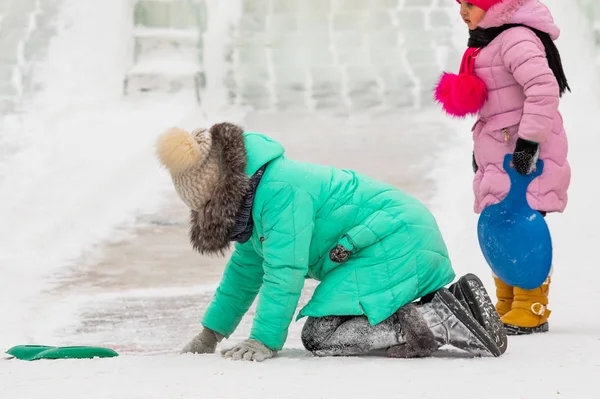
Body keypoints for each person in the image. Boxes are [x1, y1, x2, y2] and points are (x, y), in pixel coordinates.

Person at [155, 122, 507, 361]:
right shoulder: (252, 197)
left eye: (207, 206)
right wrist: (209, 335)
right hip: (379, 242)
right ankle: (454, 303)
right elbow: (245, 271)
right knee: (326, 328)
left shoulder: (279, 191)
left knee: (320, 335)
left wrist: (262, 340)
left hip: (397, 238)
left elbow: (284, 271)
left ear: (221, 191)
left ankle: (436, 320)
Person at [434, 0, 571, 335]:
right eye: (459, 2)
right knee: (495, 221)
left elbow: (543, 90)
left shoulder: (516, 40)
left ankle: (531, 303)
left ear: (496, 4)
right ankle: (508, 300)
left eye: (471, 3)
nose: (462, 11)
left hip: (526, 153)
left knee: (518, 221)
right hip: (502, 151)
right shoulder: (490, 41)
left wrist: (528, 145)